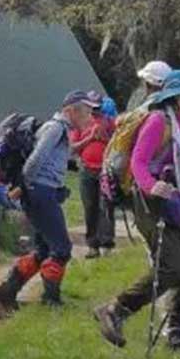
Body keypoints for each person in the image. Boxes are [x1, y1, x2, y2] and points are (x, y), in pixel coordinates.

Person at [92, 70, 180, 349]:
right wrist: (152, 187)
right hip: (153, 203)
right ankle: (116, 309)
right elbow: (139, 162)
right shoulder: (157, 121)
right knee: (171, 268)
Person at [0, 91, 92, 309]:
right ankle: (51, 300)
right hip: (40, 192)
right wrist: (23, 186)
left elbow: (62, 155)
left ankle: (8, 290)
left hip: (41, 191)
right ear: (70, 110)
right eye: (86, 111)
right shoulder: (55, 128)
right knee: (62, 248)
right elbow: (36, 159)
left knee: (44, 249)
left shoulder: (60, 130)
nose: (89, 116)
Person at [72, 93, 117, 258]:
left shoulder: (109, 122)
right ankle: (93, 245)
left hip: (105, 169)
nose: (95, 109)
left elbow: (118, 143)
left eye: (98, 106)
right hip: (86, 170)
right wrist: (90, 138)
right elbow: (73, 147)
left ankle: (107, 244)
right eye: (92, 106)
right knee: (89, 207)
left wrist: (105, 138)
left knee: (105, 205)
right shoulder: (81, 124)